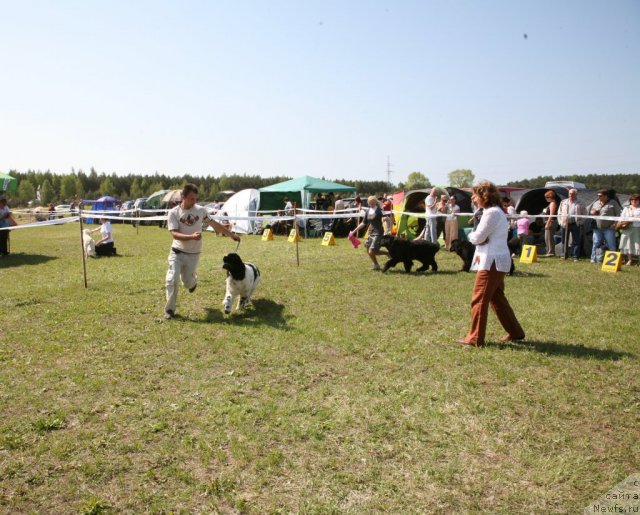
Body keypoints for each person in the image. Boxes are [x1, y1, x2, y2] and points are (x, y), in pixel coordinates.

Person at [456, 181, 524, 347]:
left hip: (492, 261)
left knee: (479, 299)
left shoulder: (491, 213)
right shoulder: (493, 211)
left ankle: (475, 338)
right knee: (497, 299)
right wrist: (480, 237)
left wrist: (474, 237)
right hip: (495, 260)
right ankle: (515, 332)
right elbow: (481, 237)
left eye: (475, 194)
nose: (472, 197)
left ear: (483, 196)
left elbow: (477, 237)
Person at [164, 183, 240, 320]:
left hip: (193, 254)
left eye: (196, 199)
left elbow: (215, 224)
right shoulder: (173, 213)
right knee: (172, 279)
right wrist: (191, 237)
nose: (194, 202)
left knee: (187, 282)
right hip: (177, 251)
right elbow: (174, 234)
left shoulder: (201, 211)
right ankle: (169, 310)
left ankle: (193, 282)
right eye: (191, 199)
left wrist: (231, 235)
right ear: (183, 197)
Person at [351, 195, 388, 271]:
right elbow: (363, 223)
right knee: (370, 251)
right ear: (368, 203)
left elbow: (385, 218)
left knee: (371, 251)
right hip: (371, 232)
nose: (371, 203)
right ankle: (385, 256)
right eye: (370, 202)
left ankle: (376, 265)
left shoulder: (379, 210)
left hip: (378, 233)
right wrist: (354, 231)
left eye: (373, 202)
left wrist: (386, 219)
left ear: (375, 202)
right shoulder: (367, 211)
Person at [590, 189, 621, 263]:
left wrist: (615, 223)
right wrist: (593, 212)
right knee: (596, 243)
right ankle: (593, 259)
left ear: (606, 196)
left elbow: (618, 214)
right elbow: (591, 211)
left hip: (609, 228)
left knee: (611, 244)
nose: (598, 197)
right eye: (597, 195)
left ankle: (612, 262)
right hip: (597, 228)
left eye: (600, 196)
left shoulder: (613, 203)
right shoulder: (596, 203)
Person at [558, 188, 586, 261]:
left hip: (576, 224)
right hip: (565, 224)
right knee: (564, 240)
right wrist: (560, 222)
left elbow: (585, 213)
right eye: (570, 194)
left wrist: (581, 222)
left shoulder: (581, 202)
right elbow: (559, 213)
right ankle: (564, 255)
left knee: (576, 241)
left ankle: (575, 256)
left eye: (573, 194)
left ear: (576, 194)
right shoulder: (563, 202)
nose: (571, 195)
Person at [618, 194, 640, 266]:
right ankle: (629, 261)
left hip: (637, 228)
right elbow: (621, 219)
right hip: (627, 228)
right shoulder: (626, 208)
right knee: (628, 244)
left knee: (638, 244)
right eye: (632, 200)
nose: (634, 201)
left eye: (636, 200)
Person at [543, 190, 558, 256]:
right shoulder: (551, 203)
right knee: (547, 237)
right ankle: (549, 251)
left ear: (550, 197)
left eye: (546, 197)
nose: (545, 199)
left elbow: (551, 215)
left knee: (549, 238)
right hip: (549, 222)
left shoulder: (552, 203)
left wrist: (547, 223)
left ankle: (551, 252)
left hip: (551, 222)